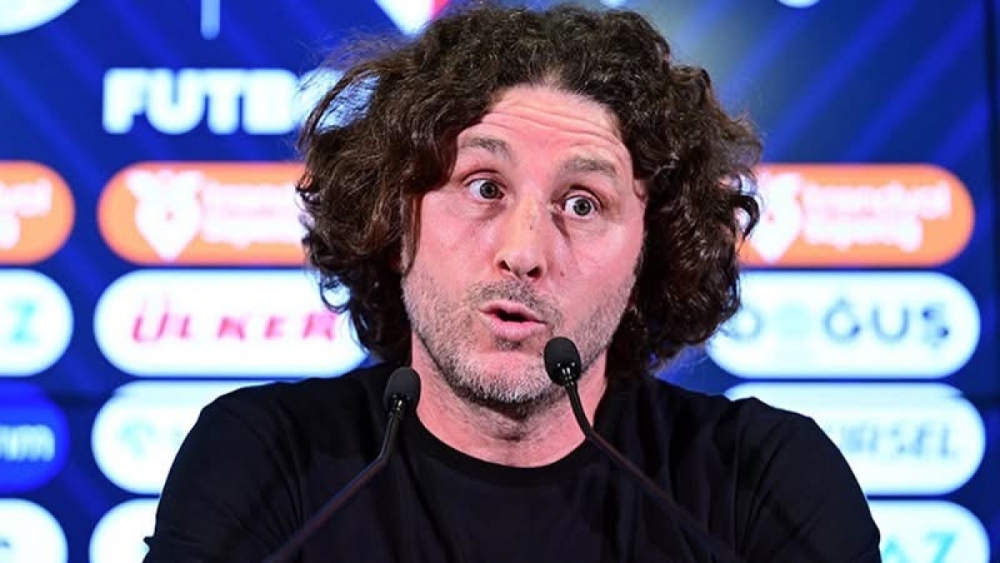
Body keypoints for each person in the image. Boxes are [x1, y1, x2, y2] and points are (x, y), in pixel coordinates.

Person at [143, 4, 882, 562]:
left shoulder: (762, 482)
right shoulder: (267, 462)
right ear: (395, 219)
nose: (525, 252)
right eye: (485, 187)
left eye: (582, 203)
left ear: (649, 252)